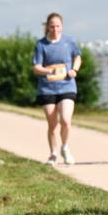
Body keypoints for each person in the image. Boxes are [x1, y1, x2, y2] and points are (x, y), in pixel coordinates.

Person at [31, 13, 82, 166]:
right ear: (47, 26)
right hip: (47, 89)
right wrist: (48, 71)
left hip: (67, 86)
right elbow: (36, 68)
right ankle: (53, 154)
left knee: (66, 120)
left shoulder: (69, 41)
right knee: (52, 124)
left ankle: (65, 148)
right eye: (52, 26)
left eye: (58, 26)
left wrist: (74, 70)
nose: (55, 29)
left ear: (62, 26)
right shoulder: (41, 45)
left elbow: (78, 57)